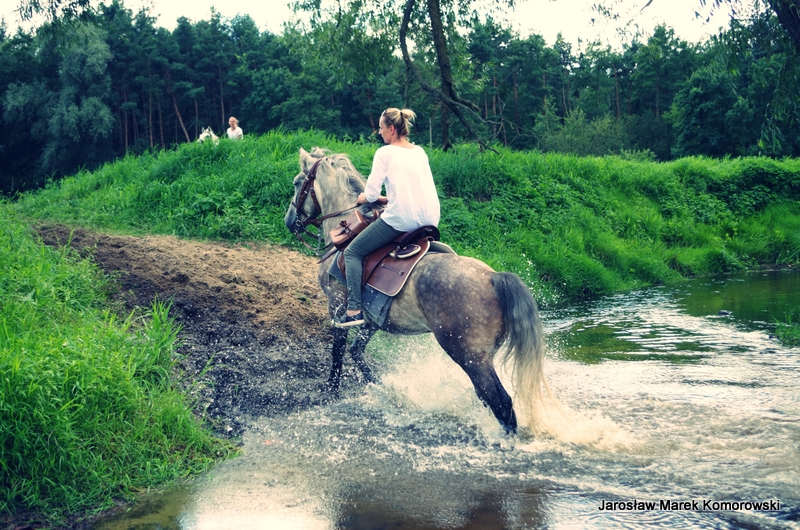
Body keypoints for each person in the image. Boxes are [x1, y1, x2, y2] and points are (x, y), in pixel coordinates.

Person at [335, 108, 440, 327]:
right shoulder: (419, 151)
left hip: (402, 220)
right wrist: (387, 199)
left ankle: (354, 310)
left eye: (381, 129)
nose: (380, 133)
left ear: (391, 129)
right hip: (430, 220)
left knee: (353, 252)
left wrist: (365, 198)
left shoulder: (385, 153)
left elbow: (371, 193)